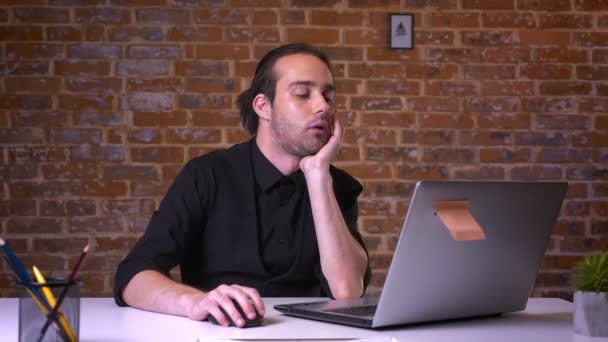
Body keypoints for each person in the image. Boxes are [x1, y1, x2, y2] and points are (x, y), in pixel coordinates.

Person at [113, 43, 371, 328]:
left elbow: (347, 292)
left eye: (328, 96)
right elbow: (133, 276)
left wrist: (319, 175)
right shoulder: (207, 175)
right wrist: (195, 301)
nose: (323, 105)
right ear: (263, 106)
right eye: (302, 94)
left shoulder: (338, 186)